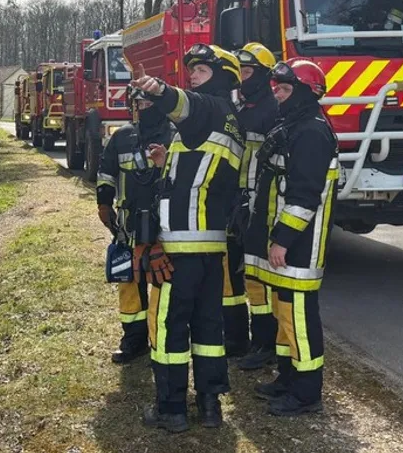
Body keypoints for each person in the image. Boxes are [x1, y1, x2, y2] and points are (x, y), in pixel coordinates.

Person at [128, 43, 245, 433]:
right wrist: (166, 161)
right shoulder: (229, 121)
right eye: (191, 69)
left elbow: (182, 103)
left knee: (169, 328)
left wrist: (155, 87)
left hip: (179, 249)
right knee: (209, 328)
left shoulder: (208, 108)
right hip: (211, 248)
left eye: (202, 70)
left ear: (222, 77)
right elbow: (198, 178)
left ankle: (171, 409)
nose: (192, 75)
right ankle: (211, 407)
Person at [242, 59, 339, 417]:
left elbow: (304, 195)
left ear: (303, 92)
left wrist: (282, 239)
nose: (278, 97)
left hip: (301, 244)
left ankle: (306, 393)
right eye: (277, 90)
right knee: (285, 313)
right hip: (286, 241)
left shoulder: (311, 132)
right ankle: (287, 378)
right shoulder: (293, 124)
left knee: (298, 317)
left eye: (284, 90)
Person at [97, 94, 175, 364]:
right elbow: (106, 172)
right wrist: (104, 204)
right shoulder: (122, 136)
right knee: (128, 283)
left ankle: (160, 342)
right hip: (128, 225)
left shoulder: (177, 135)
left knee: (162, 281)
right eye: (139, 105)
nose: (143, 109)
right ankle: (133, 340)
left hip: (166, 226)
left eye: (149, 104)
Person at [227, 43, 281, 372]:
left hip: (262, 205)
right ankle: (244, 339)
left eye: (247, 72)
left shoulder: (273, 109)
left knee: (261, 277)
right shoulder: (242, 106)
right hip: (238, 203)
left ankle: (266, 342)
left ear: (262, 75)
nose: (242, 78)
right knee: (243, 275)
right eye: (240, 72)